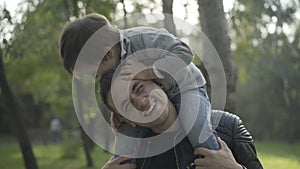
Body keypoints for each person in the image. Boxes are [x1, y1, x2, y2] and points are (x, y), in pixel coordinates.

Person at [59, 13, 219, 152]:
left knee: (197, 131)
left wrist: (147, 71)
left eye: (93, 73)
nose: (95, 77)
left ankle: (218, 161)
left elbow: (184, 52)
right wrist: (118, 110)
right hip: (145, 99)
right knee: (125, 140)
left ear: (108, 55)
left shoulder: (143, 38)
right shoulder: (108, 62)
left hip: (185, 87)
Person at [99, 70, 263, 169]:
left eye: (139, 88)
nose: (141, 102)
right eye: (127, 106)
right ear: (128, 120)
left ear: (160, 84)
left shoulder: (227, 126)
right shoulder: (133, 161)